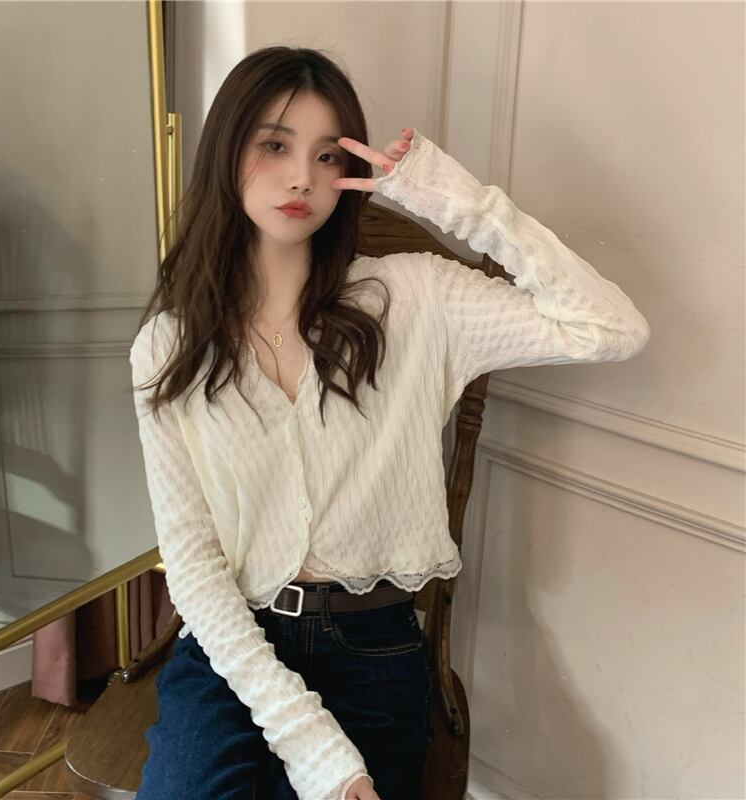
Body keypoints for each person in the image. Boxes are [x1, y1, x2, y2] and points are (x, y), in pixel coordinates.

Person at [129, 45, 650, 800]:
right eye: (274, 145)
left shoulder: (412, 299)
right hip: (231, 650)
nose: (302, 177)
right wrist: (313, 747)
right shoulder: (169, 346)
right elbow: (195, 567)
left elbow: (611, 329)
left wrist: (458, 203)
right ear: (225, 152)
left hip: (372, 647)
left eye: (326, 155)